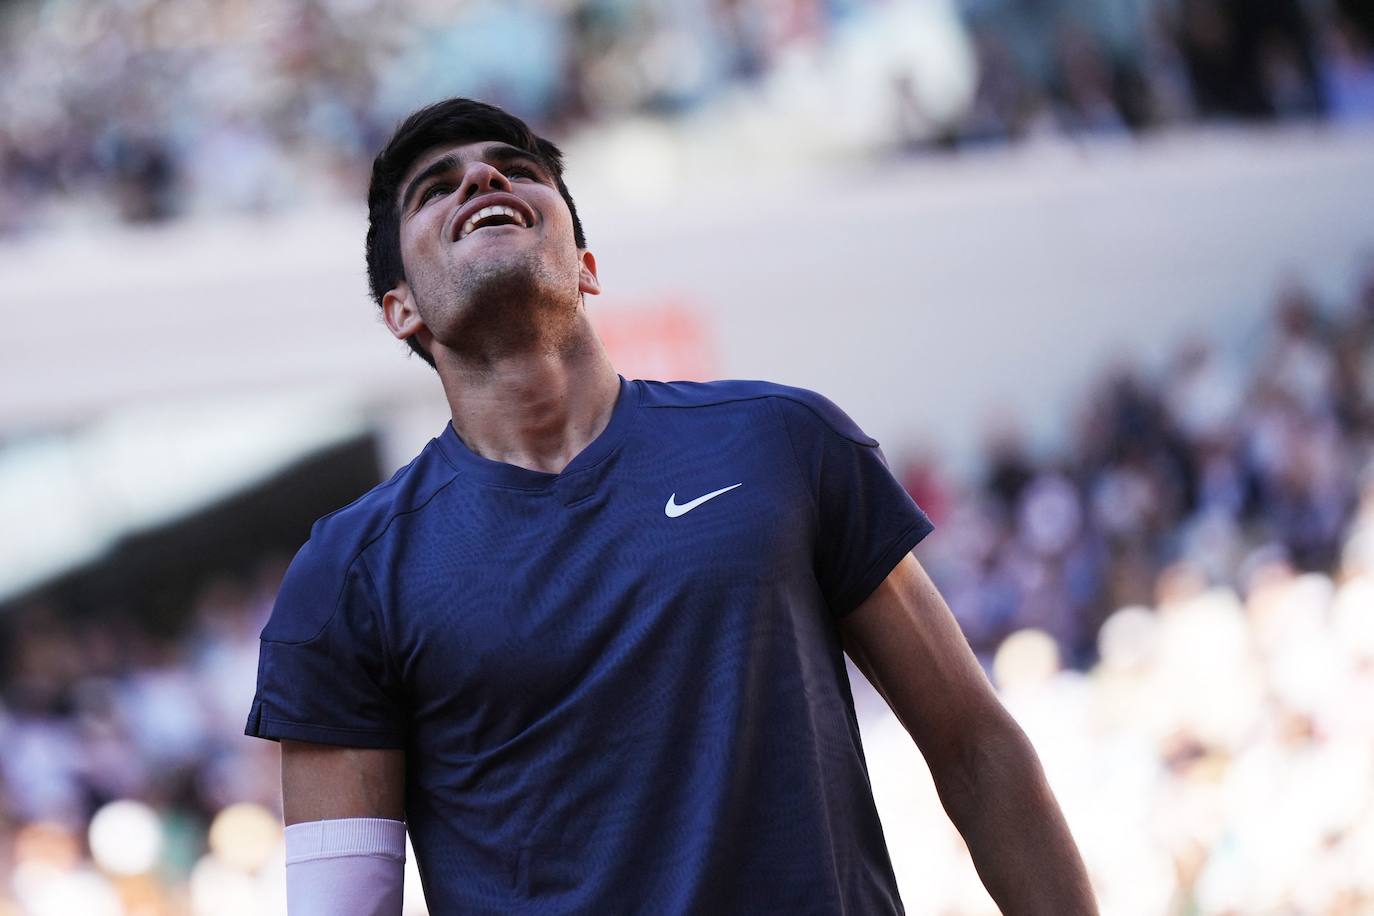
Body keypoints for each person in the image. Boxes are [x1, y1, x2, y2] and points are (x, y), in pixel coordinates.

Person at [245, 97, 1097, 915]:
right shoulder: (345, 577)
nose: (483, 181)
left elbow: (977, 750)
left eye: (516, 170)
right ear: (401, 311)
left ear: (585, 265)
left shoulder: (784, 440)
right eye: (437, 188)